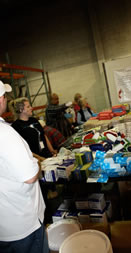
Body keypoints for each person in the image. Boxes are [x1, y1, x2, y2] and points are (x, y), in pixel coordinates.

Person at [0, 80, 49, 253]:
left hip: (5, 224)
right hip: (23, 224)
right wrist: (38, 165)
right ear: (0, 99)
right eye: (4, 95)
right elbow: (29, 176)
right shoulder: (6, 133)